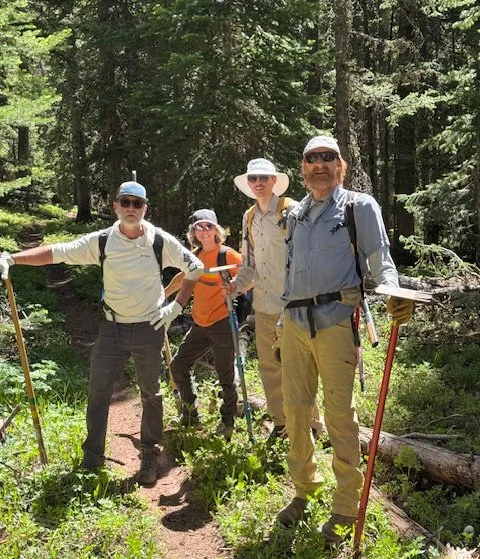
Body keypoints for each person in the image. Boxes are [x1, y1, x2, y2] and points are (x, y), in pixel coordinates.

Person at [0, 181, 203, 485]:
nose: (132, 208)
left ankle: (149, 455)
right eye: (126, 202)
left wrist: (175, 308)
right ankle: (92, 458)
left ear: (145, 208)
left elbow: (195, 269)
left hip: (149, 327)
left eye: (138, 203)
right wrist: (13, 258)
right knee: (98, 392)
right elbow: (59, 252)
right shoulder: (104, 241)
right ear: (116, 206)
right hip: (112, 328)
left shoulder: (160, 242)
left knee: (151, 392)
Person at [277, 135, 414, 542]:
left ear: (342, 166)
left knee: (339, 415)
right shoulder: (296, 216)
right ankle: (304, 489)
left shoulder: (358, 206)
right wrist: (281, 322)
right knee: (297, 412)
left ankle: (345, 507)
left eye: (328, 158)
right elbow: (289, 273)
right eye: (311, 158)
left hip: (337, 321)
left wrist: (393, 294)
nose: (320, 164)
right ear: (302, 169)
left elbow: (381, 260)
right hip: (295, 324)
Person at [227, 158, 323, 441]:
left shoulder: (292, 210)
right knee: (269, 367)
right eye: (253, 179)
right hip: (264, 305)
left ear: (273, 182)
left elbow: (309, 256)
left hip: (294, 306)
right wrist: (235, 286)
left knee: (299, 367)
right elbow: (249, 263)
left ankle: (310, 426)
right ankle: (281, 424)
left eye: (263, 178)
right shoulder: (249, 217)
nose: (258, 183)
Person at [165, 209, 242, 441]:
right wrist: (165, 293)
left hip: (222, 323)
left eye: (208, 226)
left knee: (225, 375)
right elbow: (183, 277)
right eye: (199, 227)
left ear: (217, 230)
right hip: (199, 323)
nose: (204, 231)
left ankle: (227, 423)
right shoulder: (194, 254)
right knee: (178, 365)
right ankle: (190, 415)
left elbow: (250, 277)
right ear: (194, 232)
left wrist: (235, 286)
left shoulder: (228, 256)